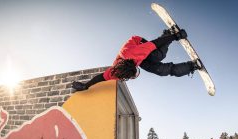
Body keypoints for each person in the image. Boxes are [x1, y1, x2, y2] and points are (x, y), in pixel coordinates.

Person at [72, 28, 200, 91]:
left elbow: (155, 43)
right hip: (136, 59)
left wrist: (176, 36)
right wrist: (85, 86)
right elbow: (99, 78)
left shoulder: (135, 53)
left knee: (157, 56)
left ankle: (168, 33)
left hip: (138, 42)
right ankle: (191, 66)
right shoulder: (114, 72)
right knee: (160, 70)